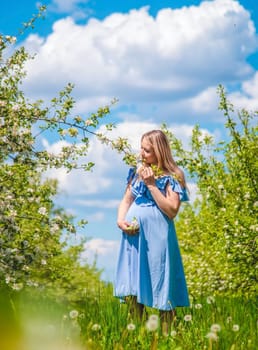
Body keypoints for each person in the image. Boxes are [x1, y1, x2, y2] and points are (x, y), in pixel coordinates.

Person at [114, 129, 189, 334]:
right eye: (141, 148)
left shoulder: (173, 176)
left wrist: (151, 185)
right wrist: (121, 220)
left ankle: (168, 335)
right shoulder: (136, 172)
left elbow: (172, 210)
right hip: (133, 236)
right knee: (131, 287)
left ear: (159, 151)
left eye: (147, 150)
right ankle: (141, 333)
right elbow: (126, 200)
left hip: (158, 237)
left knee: (160, 283)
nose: (142, 154)